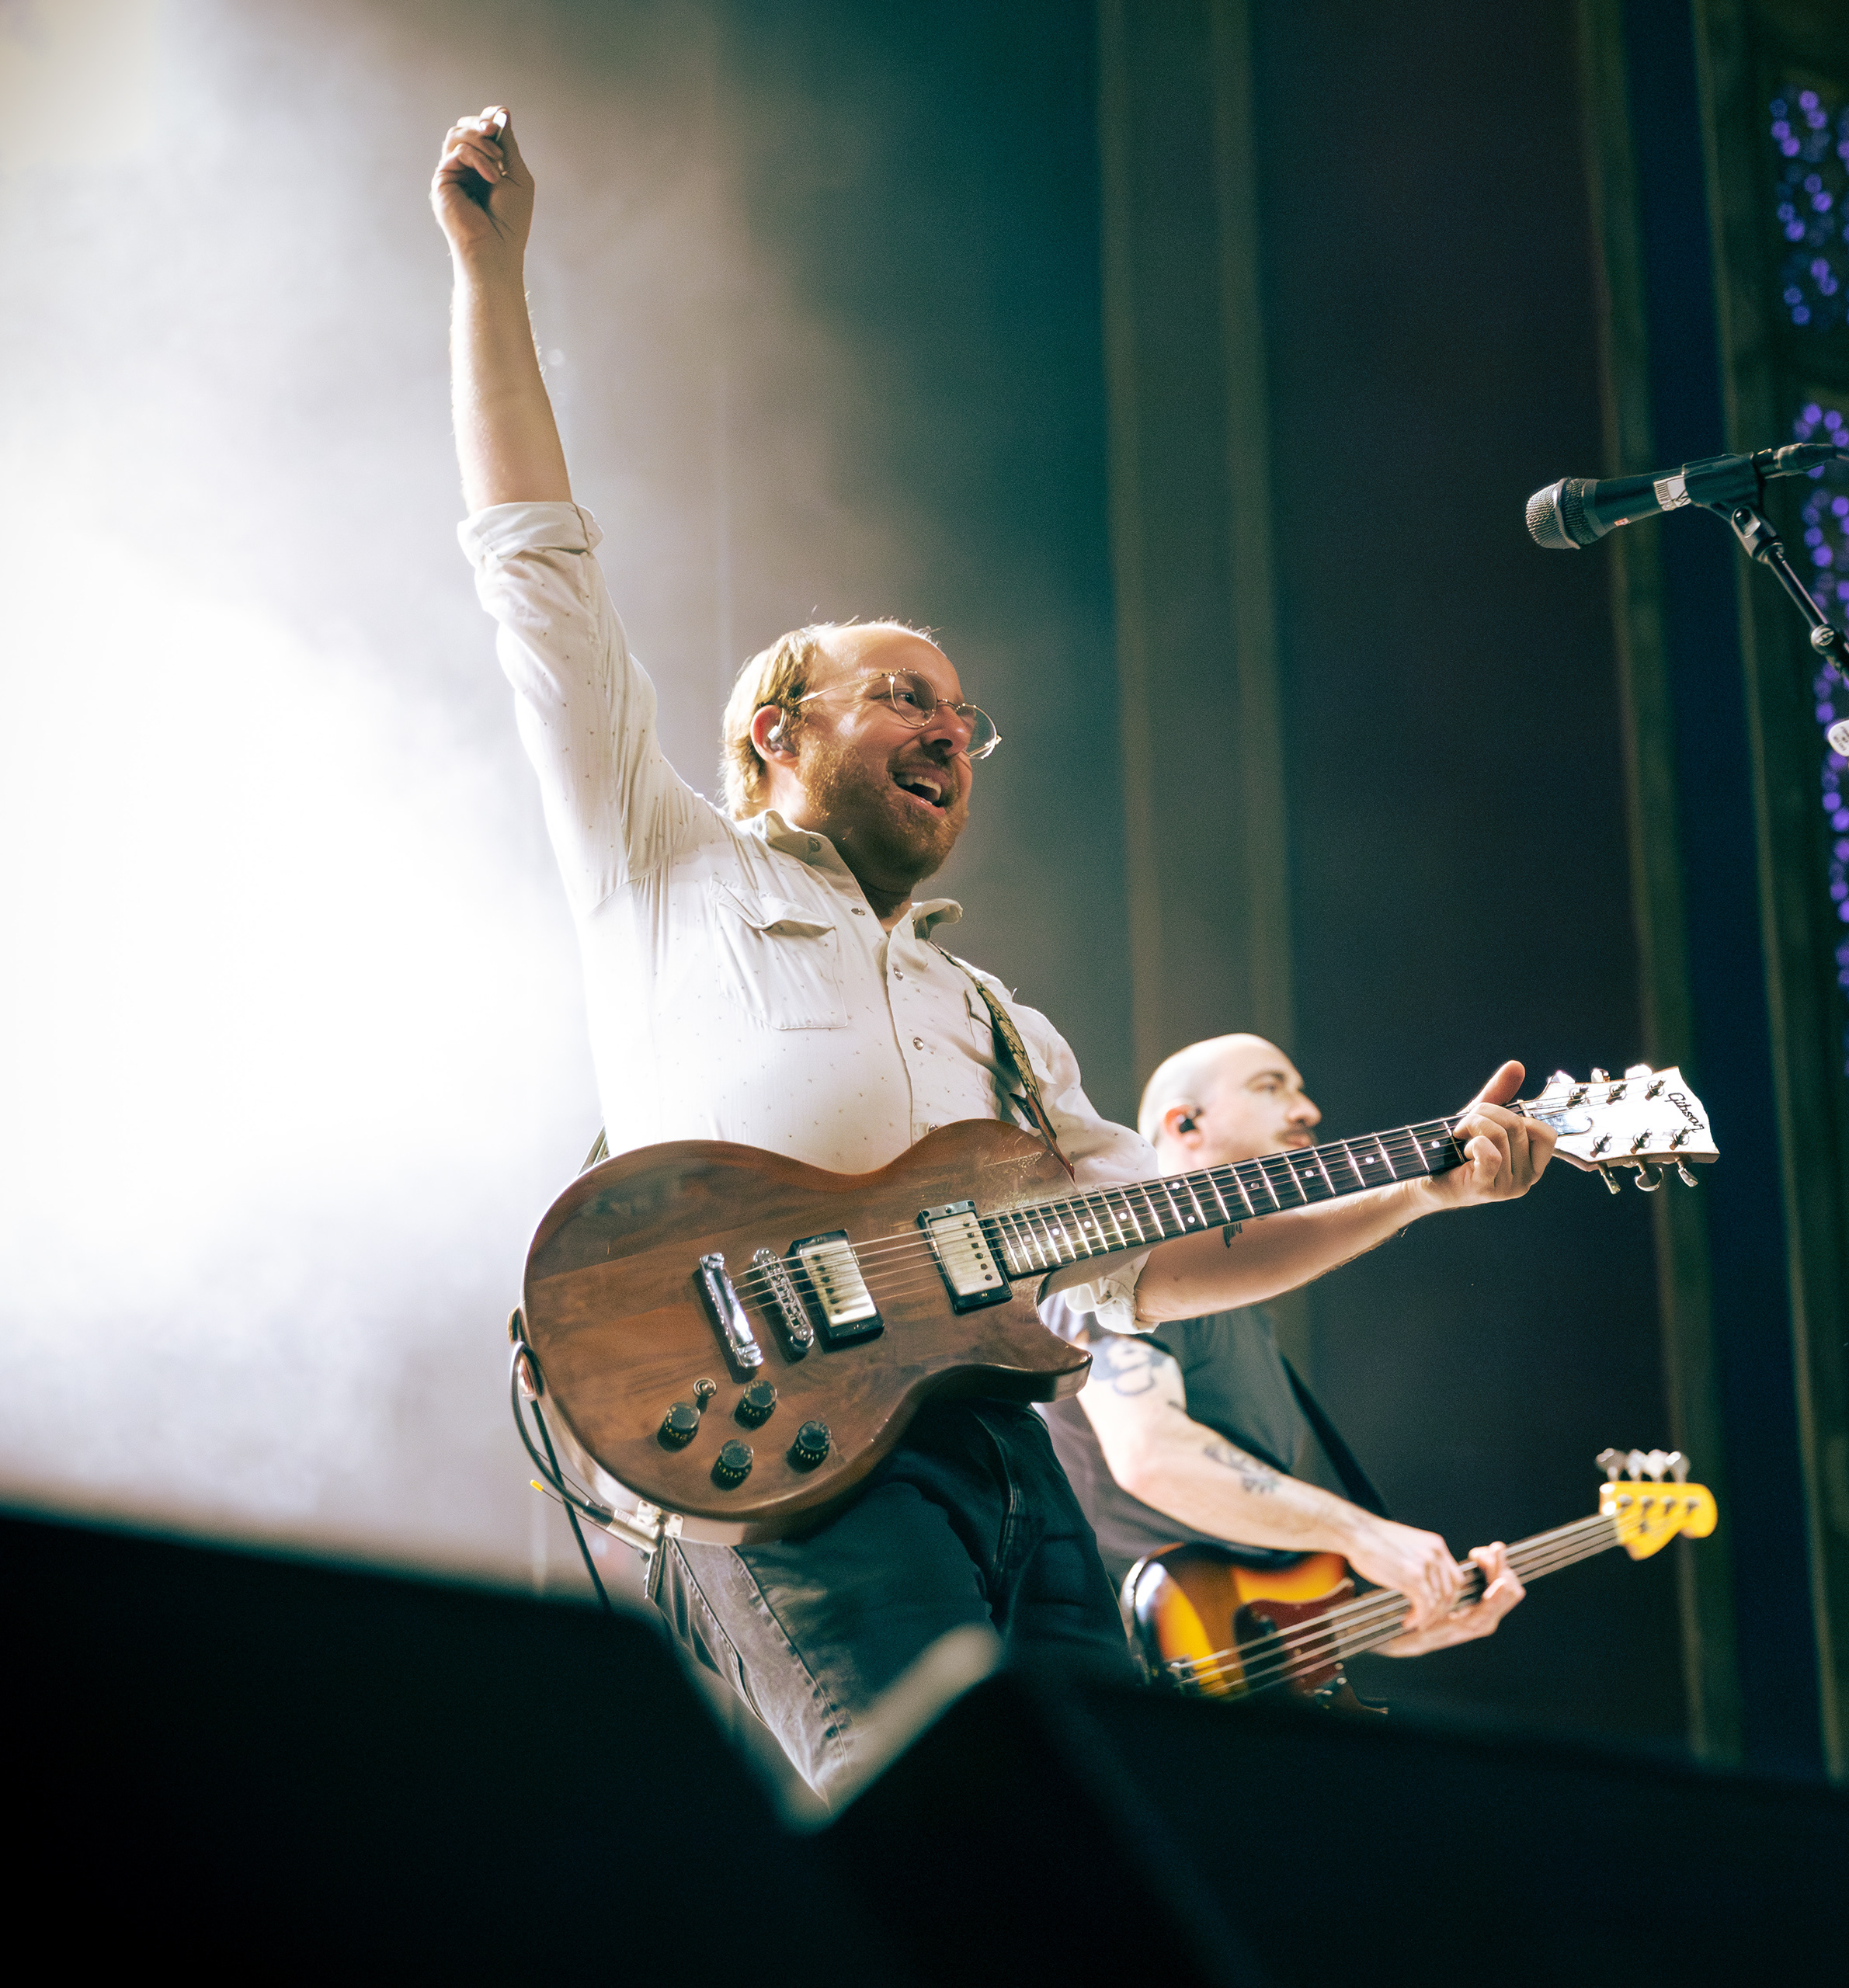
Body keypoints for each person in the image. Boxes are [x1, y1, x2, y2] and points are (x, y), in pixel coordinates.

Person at [433, 107, 1557, 1793]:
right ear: (770, 730)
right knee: (944, 1846)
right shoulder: (662, 862)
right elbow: (536, 566)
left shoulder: (1004, 1033)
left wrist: (1426, 1187)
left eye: (967, 716)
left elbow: (1166, 1252)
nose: (951, 731)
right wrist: (492, 270)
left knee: (1107, 1849)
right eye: (903, 695)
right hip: (786, 1450)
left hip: (1007, 1471)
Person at [1041, 1035, 1527, 1665]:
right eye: (1271, 1086)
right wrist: (1363, 1535)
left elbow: (1251, 1595)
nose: (1307, 1111)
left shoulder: (1247, 1322)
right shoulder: (1112, 1272)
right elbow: (1150, 1455)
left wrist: (1404, 1619)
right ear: (1184, 1124)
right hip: (1104, 1675)